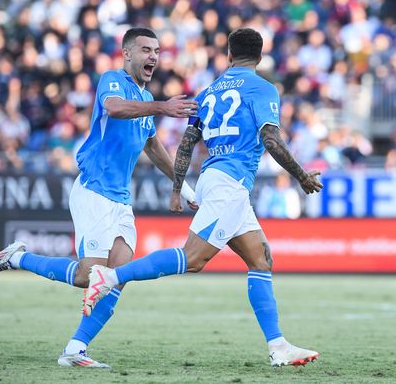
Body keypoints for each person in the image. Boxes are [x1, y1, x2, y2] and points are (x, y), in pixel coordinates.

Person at [82, 28, 324, 367]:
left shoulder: (208, 92)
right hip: (230, 182)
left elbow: (186, 143)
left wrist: (178, 188)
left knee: (261, 260)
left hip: (217, 179)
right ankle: (110, 277)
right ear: (260, 57)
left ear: (228, 55)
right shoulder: (263, 88)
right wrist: (301, 176)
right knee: (193, 259)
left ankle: (278, 345)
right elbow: (270, 138)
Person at [0, 28, 199, 368]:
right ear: (127, 54)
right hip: (93, 190)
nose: (153, 56)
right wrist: (162, 106)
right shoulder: (112, 81)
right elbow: (114, 109)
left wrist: (185, 189)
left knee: (117, 276)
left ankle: (75, 350)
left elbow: (154, 147)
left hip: (120, 201)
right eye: (145, 49)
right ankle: (16, 258)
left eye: (156, 50)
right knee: (87, 276)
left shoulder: (143, 97)